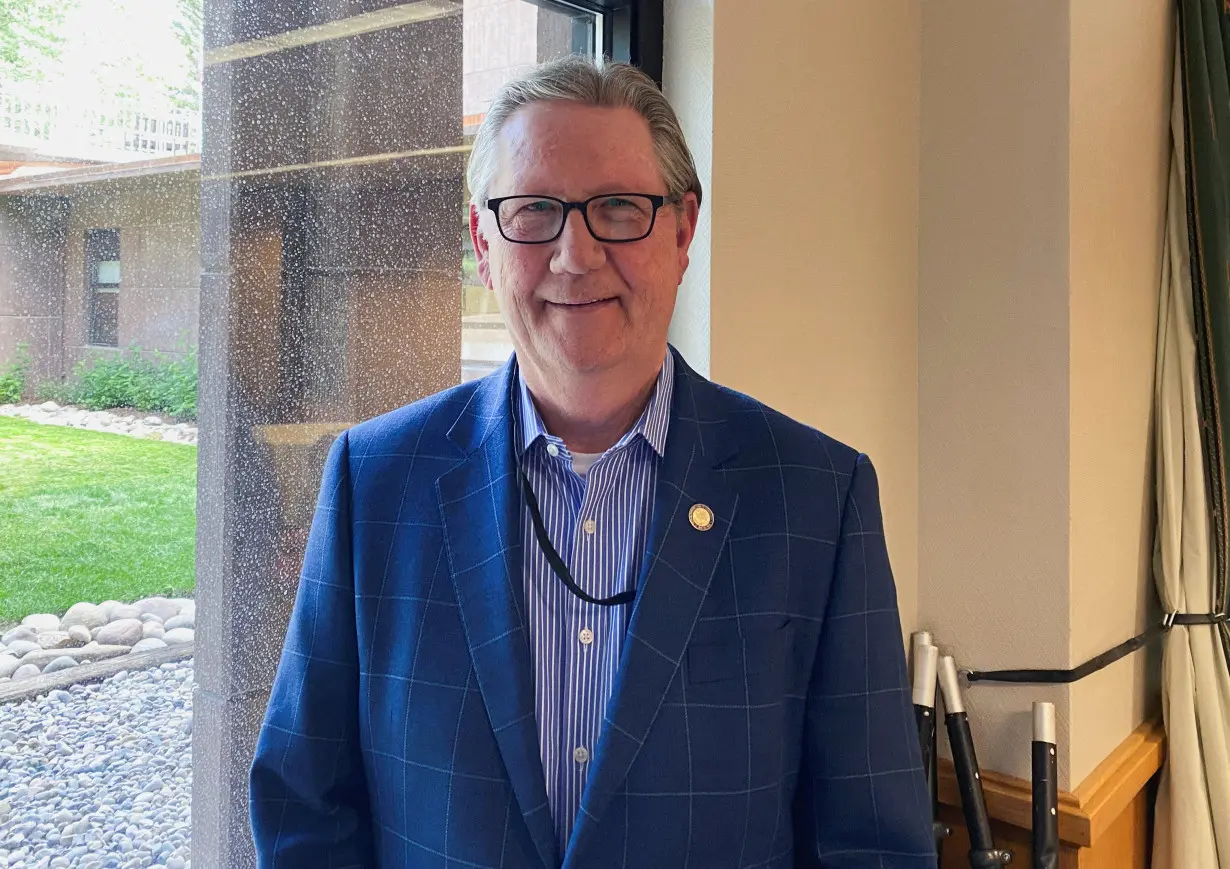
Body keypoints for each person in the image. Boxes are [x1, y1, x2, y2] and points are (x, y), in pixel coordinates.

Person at [249, 55, 934, 868]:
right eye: (535, 210)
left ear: (682, 231)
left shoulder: (819, 497)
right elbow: (306, 811)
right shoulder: (377, 480)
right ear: (483, 242)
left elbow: (871, 844)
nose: (574, 255)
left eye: (617, 208)